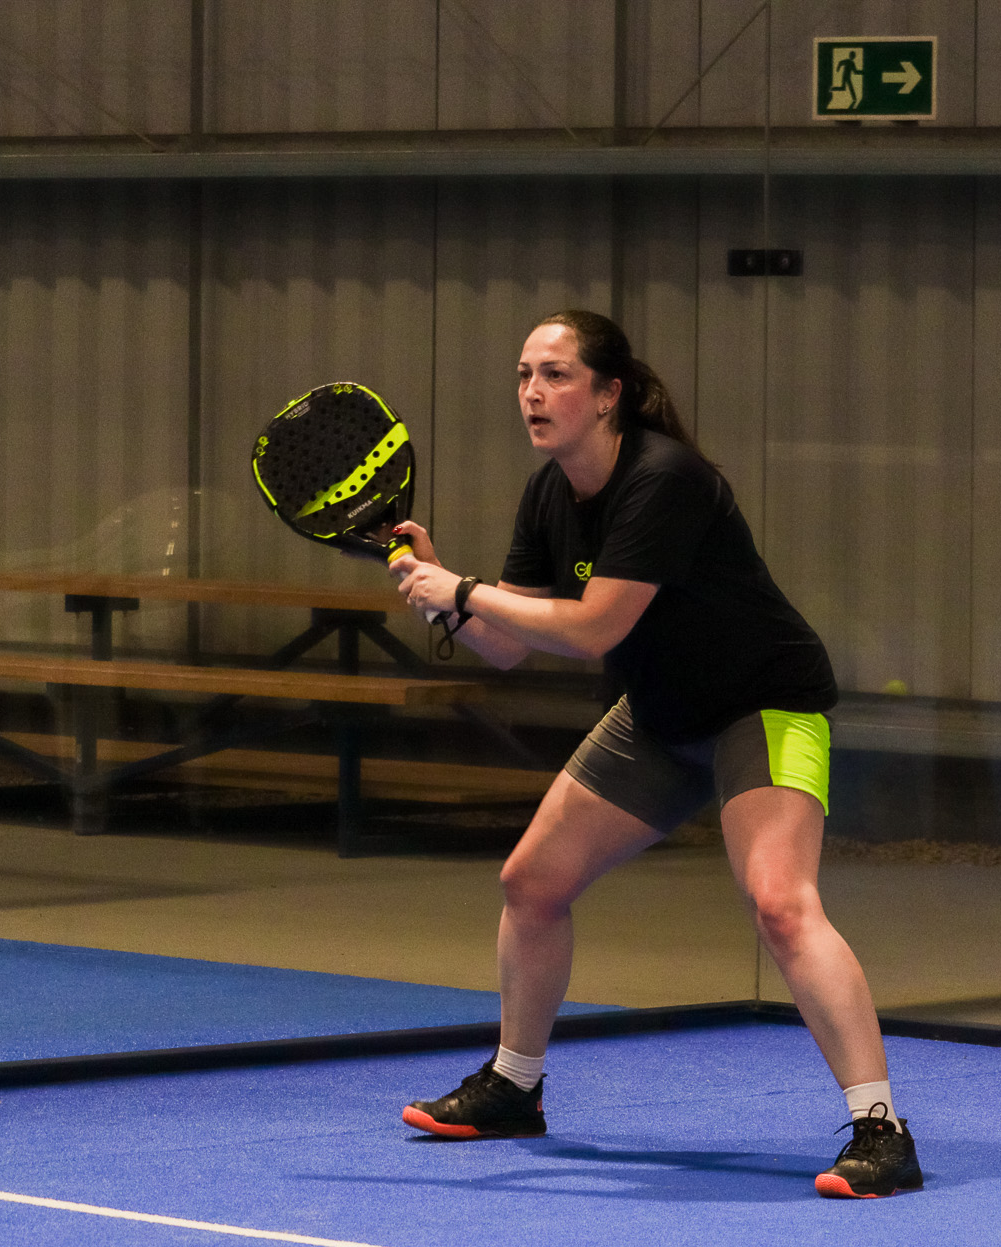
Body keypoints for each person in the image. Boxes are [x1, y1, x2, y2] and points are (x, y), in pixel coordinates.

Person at [389, 310, 920, 1199]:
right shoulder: (550, 493)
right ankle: (514, 1086)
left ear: (609, 395)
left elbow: (596, 626)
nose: (532, 392)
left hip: (762, 704)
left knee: (782, 904)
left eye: (556, 374)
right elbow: (509, 645)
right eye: (523, 375)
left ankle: (883, 1129)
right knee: (531, 882)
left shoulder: (664, 479)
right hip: (662, 715)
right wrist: (442, 595)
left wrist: (467, 589)